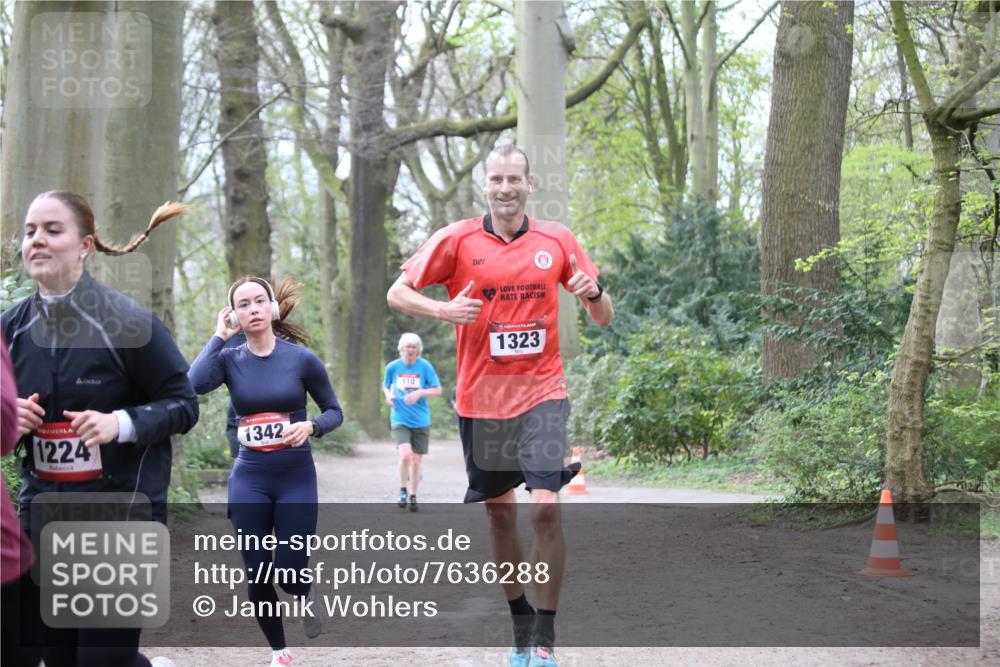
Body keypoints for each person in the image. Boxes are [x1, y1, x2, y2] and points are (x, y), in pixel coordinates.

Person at [387, 145, 614, 667]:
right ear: (485, 185)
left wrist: (592, 292)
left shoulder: (557, 240)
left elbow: (603, 316)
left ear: (530, 184)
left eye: (515, 179)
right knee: (500, 515)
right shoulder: (456, 239)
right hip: (482, 399)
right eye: (496, 179)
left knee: (546, 509)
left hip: (543, 394)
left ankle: (546, 638)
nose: (505, 188)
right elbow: (397, 293)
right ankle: (520, 623)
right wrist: (443, 310)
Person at [2, 190, 199, 667]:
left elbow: (183, 404)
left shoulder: (129, 323)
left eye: (53, 230)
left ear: (85, 245)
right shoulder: (10, 329)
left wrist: (120, 423)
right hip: (42, 515)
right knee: (59, 658)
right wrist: (11, 421)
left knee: (101, 660)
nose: (37, 240)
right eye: (30, 232)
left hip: (119, 515)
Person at [188, 276, 343, 667]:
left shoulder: (301, 359)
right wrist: (218, 337)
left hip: (295, 477)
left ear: (272, 308)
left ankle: (304, 593)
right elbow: (192, 385)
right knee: (257, 572)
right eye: (243, 304)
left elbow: (334, 411)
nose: (253, 309)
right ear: (234, 314)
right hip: (249, 477)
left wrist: (311, 426)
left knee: (289, 571)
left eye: (259, 301)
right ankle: (279, 651)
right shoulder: (229, 359)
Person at [382, 332, 442, 512]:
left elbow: (438, 390)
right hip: (399, 417)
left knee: (416, 461)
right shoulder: (393, 367)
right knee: (405, 455)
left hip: (421, 420)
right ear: (401, 348)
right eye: (407, 346)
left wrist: (420, 392)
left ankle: (413, 494)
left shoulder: (425, 366)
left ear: (418, 350)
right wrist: (388, 397)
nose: (410, 350)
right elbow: (386, 385)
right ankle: (402, 489)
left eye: (414, 347)